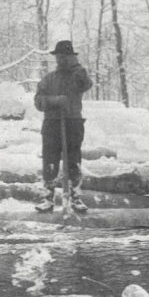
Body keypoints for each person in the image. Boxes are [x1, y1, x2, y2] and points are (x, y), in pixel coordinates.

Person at [34, 40, 93, 213]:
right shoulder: (49, 79)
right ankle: (48, 197)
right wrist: (54, 101)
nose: (62, 60)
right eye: (59, 57)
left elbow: (86, 84)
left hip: (73, 122)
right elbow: (38, 101)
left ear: (72, 57)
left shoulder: (78, 75)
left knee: (73, 161)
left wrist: (77, 68)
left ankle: (74, 197)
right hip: (52, 123)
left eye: (66, 57)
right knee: (50, 160)